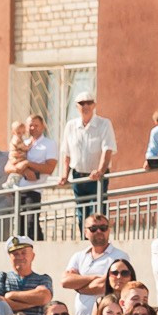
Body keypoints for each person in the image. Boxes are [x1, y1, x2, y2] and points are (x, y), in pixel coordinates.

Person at [59, 215, 130, 315]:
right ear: (85, 232)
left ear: (109, 230)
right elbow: (65, 282)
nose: (98, 231)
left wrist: (78, 286)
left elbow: (104, 286)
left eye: (103, 228)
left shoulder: (120, 256)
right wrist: (95, 277)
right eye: (93, 228)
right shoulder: (79, 256)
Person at [58, 91, 116, 224]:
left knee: (97, 214)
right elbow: (67, 153)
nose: (85, 106)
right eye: (82, 103)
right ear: (76, 106)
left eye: (89, 103)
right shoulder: (71, 126)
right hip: (78, 176)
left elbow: (107, 150)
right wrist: (65, 175)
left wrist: (100, 171)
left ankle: (99, 235)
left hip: (97, 178)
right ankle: (84, 236)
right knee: (81, 215)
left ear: (94, 105)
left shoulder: (104, 123)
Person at [0, 238, 55, 315]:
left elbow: (44, 297)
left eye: (23, 253)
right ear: (10, 257)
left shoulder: (43, 279)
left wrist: (11, 295)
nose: (20, 257)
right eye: (15, 254)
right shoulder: (2, 277)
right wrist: (34, 302)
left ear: (32, 256)